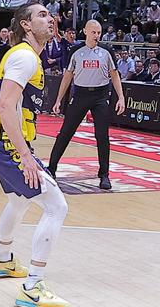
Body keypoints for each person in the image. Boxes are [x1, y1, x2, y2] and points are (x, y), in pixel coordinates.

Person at [0, 4, 70, 307]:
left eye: (51, 14)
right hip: (7, 144)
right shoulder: (23, 56)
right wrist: (25, 156)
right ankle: (33, 287)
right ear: (27, 25)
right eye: (42, 14)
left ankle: (3, 258)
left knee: (19, 201)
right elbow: (6, 107)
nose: (51, 18)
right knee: (56, 206)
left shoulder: (26, 55)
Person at [46, 20, 126, 191]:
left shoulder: (106, 51)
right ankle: (51, 168)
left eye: (99, 32)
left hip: (100, 95)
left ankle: (104, 174)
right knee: (66, 132)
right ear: (85, 32)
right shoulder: (75, 51)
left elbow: (115, 75)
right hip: (80, 94)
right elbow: (67, 76)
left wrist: (121, 97)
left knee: (102, 136)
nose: (97, 35)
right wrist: (59, 99)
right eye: (94, 32)